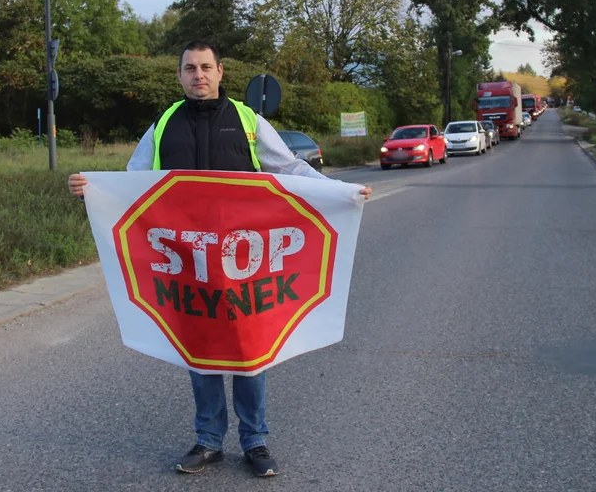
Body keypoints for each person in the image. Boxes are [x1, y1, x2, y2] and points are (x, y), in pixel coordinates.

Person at [68, 40, 371, 478]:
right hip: (190, 262)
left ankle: (255, 441)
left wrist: (340, 192)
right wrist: (92, 188)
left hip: (245, 260)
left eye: (206, 67)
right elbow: (133, 180)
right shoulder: (164, 124)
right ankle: (208, 441)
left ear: (221, 71)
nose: (199, 75)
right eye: (190, 68)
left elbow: (290, 170)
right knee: (200, 350)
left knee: (251, 351)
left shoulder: (248, 121)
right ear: (179, 75)